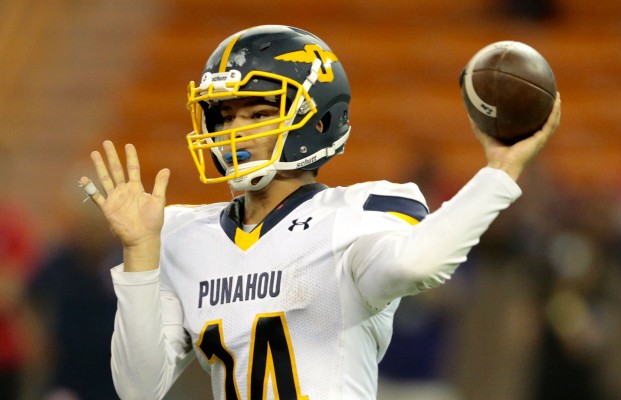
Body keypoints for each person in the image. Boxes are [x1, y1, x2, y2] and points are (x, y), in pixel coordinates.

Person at [79, 25, 561, 400]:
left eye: (259, 114)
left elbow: (419, 264)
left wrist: (499, 171)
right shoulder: (186, 233)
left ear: (319, 118)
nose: (235, 132)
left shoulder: (355, 216)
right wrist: (140, 252)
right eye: (225, 116)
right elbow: (139, 387)